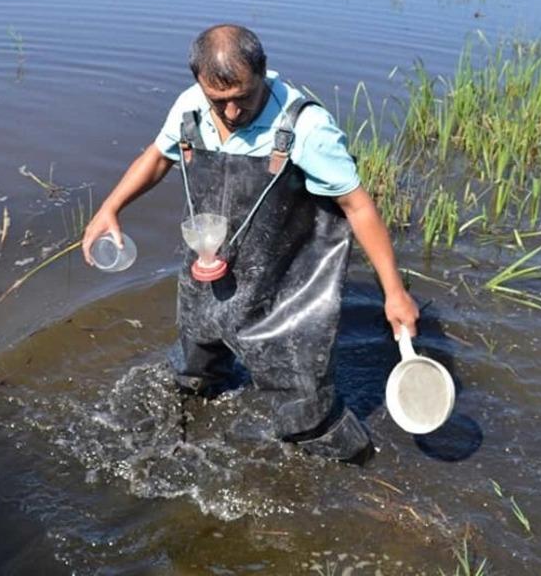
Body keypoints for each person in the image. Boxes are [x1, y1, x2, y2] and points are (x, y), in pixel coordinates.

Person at [82, 24, 419, 462]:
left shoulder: (307, 128)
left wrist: (393, 293)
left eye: (244, 95)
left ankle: (362, 472)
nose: (233, 111)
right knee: (194, 377)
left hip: (287, 285)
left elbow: (358, 207)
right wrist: (111, 207)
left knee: (306, 410)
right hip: (210, 269)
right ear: (199, 83)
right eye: (219, 100)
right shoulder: (191, 108)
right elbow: (157, 156)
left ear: (263, 73)